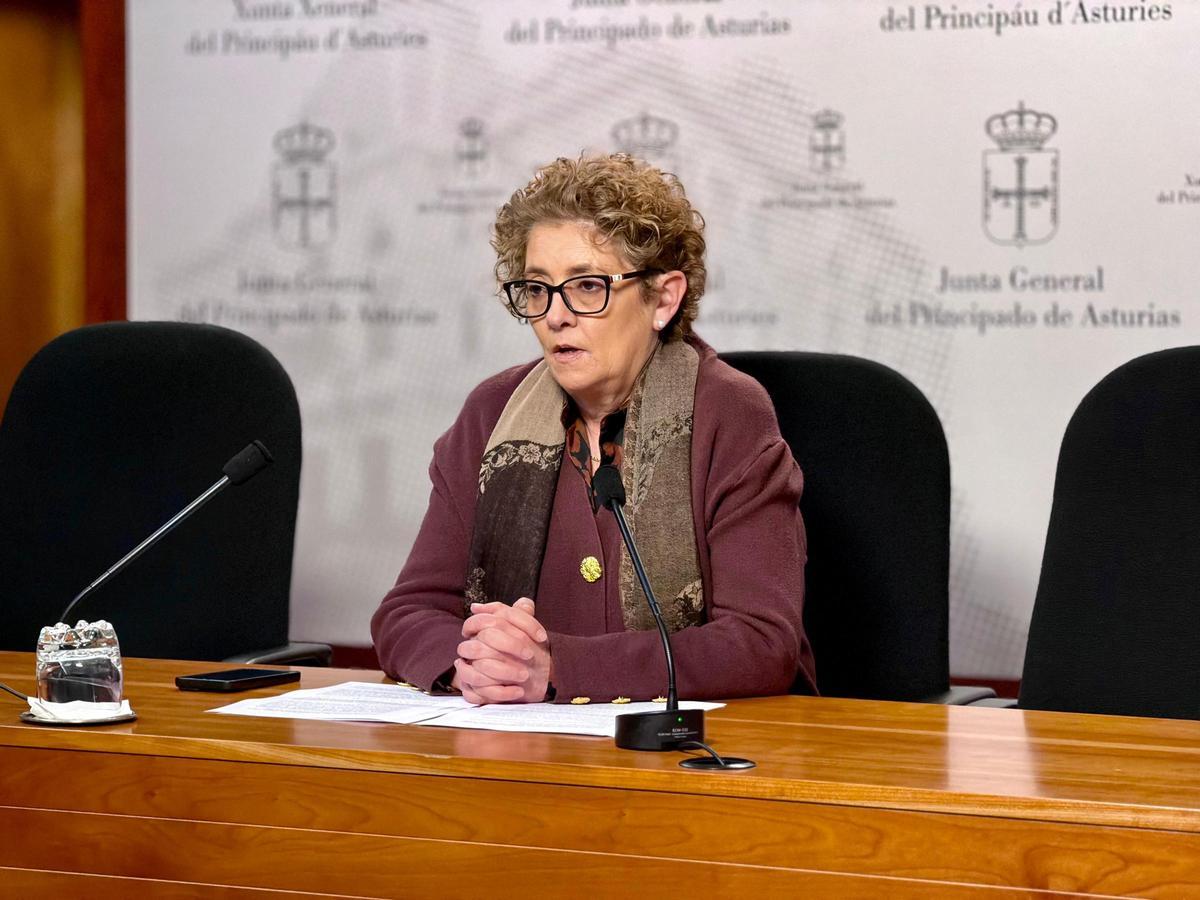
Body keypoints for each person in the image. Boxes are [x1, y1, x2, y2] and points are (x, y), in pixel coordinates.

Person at [371, 154, 816, 704]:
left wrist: (557, 668)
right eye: (536, 290)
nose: (555, 315)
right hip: (522, 754)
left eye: (586, 286)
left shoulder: (729, 413)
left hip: (696, 760)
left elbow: (761, 643)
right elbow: (407, 612)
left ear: (663, 297)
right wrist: (476, 666)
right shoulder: (491, 413)